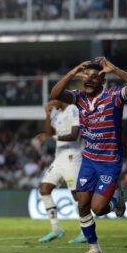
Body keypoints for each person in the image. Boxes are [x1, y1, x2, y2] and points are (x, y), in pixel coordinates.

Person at [49, 56, 127, 253]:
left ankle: (116, 199)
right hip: (89, 160)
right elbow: (54, 94)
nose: (89, 79)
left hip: (110, 161)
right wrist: (72, 72)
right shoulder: (79, 97)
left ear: (102, 80)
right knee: (82, 204)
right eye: (86, 76)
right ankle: (95, 249)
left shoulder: (114, 96)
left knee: (98, 208)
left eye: (95, 76)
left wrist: (115, 69)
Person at [37, 99, 87, 244]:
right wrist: (47, 115)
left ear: (62, 98)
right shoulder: (57, 114)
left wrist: (51, 137)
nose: (51, 102)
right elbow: (49, 133)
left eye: (53, 99)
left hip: (73, 156)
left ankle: (85, 231)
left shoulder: (73, 110)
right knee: (44, 189)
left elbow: (74, 135)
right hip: (59, 158)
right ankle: (56, 229)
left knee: (77, 195)